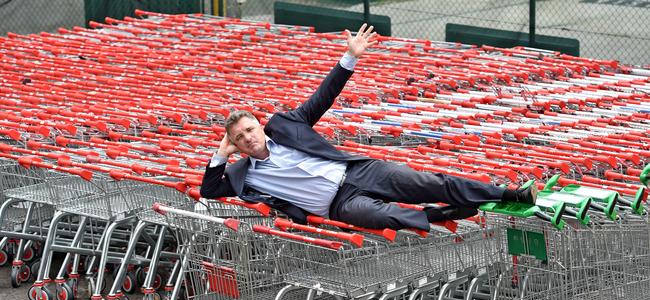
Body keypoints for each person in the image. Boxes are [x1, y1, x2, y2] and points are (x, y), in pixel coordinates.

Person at [200, 24, 537, 231]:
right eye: (239, 138)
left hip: (355, 172)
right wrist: (220, 153)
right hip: (338, 204)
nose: (248, 137)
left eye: (249, 129)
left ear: (260, 125)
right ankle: (437, 216)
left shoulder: (285, 126)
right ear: (235, 146)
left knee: (429, 182)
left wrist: (349, 57)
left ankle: (509, 193)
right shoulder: (244, 175)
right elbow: (209, 190)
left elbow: (323, 97)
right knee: (384, 217)